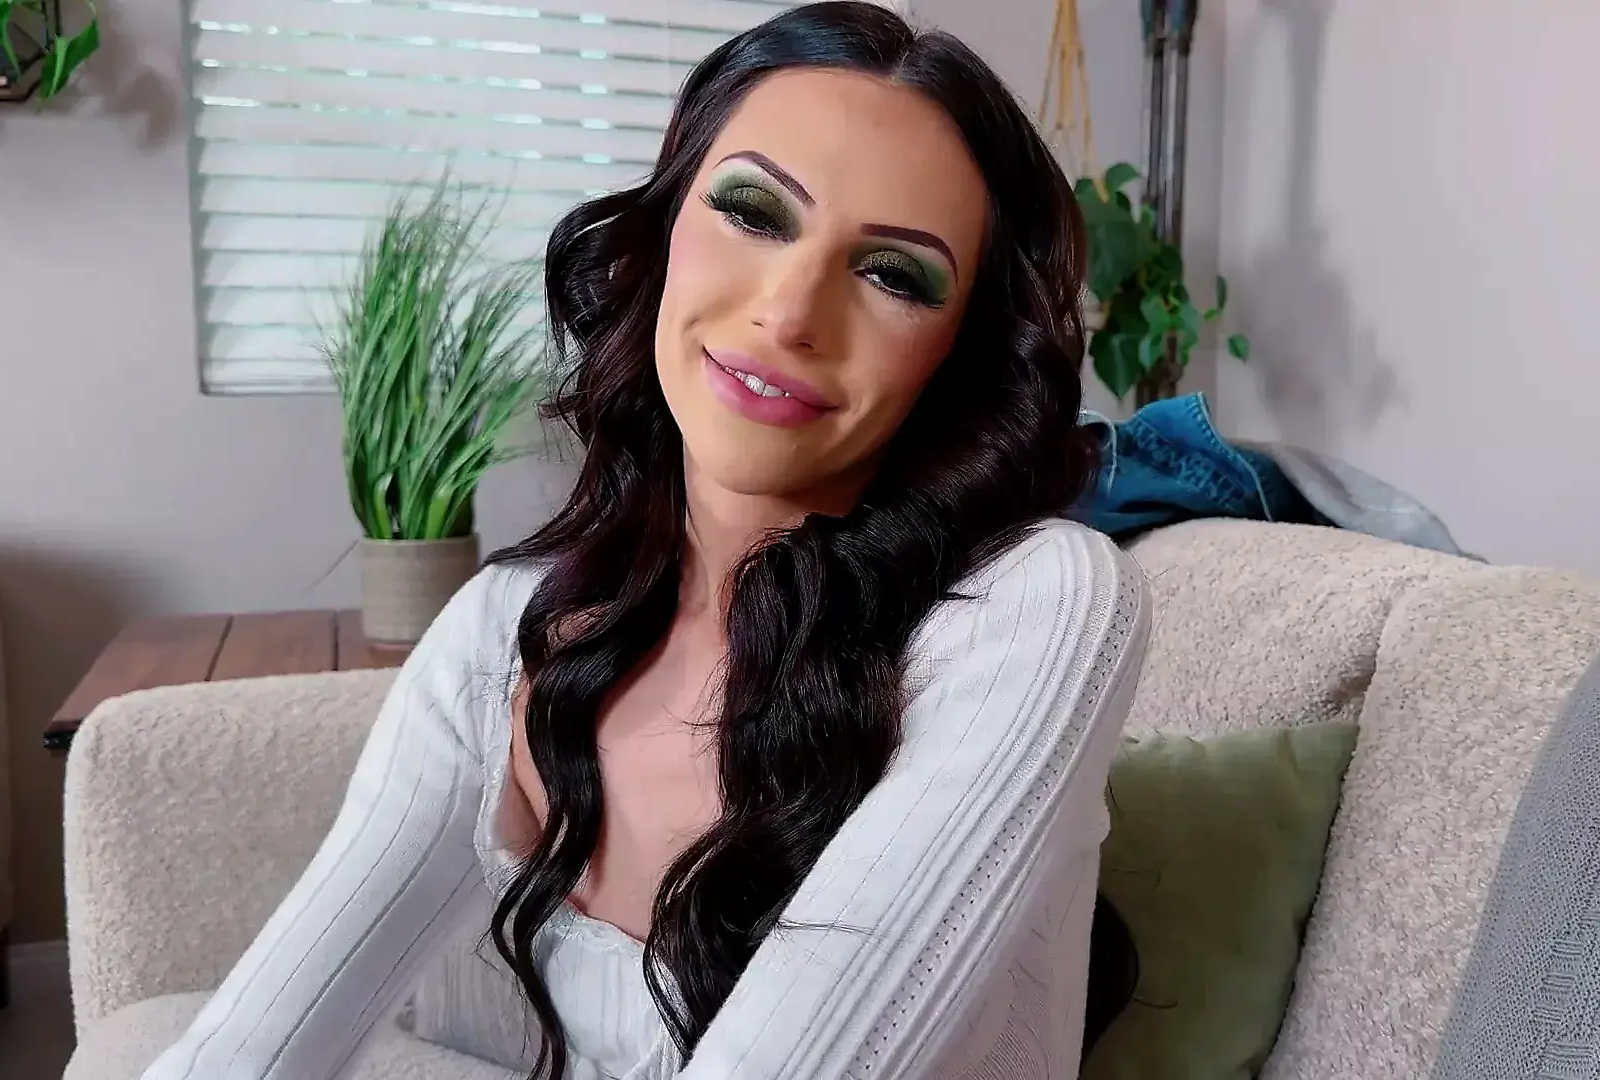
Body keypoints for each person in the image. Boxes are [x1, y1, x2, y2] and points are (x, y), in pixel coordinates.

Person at [140, 3, 1151, 1078]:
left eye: (894, 275)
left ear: (958, 358)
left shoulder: (1038, 604)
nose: (790, 313)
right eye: (754, 211)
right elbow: (249, 1045)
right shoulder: (501, 634)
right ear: (664, 229)